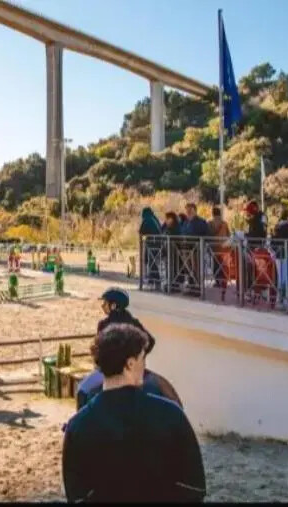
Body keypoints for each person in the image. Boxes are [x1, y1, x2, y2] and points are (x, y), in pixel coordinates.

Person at [62, 324, 206, 503]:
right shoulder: (171, 414)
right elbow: (194, 488)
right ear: (130, 364)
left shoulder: (78, 425)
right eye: (142, 359)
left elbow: (77, 497)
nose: (144, 366)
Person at [77, 288, 182, 410]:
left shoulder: (104, 325)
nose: (103, 306)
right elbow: (151, 341)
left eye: (105, 303)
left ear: (113, 305)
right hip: (134, 367)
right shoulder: (133, 322)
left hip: (111, 371)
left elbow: (100, 351)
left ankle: (81, 421)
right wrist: (137, 358)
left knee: (82, 389)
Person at [139, 208, 163, 289]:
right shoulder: (154, 218)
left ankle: (155, 280)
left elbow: (141, 231)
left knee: (152, 262)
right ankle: (152, 279)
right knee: (153, 262)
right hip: (158, 243)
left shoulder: (147, 219)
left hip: (153, 243)